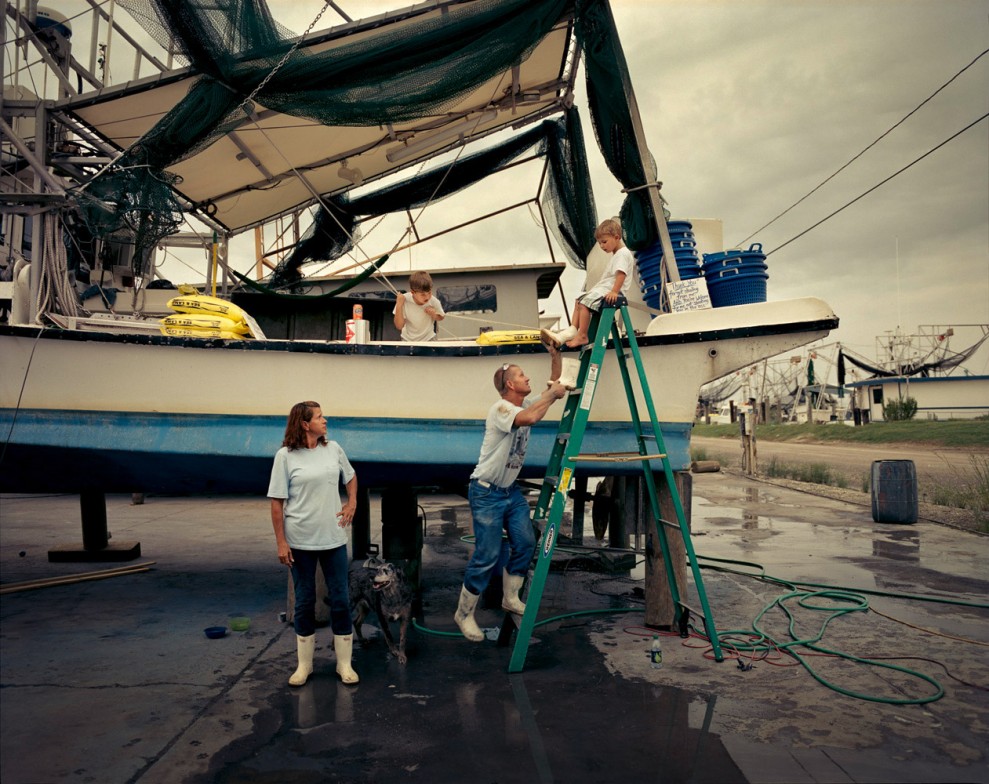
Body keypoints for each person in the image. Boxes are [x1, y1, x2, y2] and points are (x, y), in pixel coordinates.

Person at [454, 341, 567, 641]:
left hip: (509, 492)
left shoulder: (523, 405)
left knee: (526, 541)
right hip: (486, 492)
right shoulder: (502, 408)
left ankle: (510, 596)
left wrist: (555, 356)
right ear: (509, 384)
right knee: (487, 554)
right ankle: (464, 613)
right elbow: (530, 418)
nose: (528, 378)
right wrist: (552, 395)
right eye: (522, 375)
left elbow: (552, 389)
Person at [269, 401, 360, 686]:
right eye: (320, 417)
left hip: (332, 540)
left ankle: (344, 665)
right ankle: (304, 666)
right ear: (305, 424)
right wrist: (282, 542)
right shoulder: (285, 456)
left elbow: (352, 476)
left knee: (341, 601)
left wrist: (352, 503)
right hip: (300, 541)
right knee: (305, 602)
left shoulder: (333, 449)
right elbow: (276, 503)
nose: (325, 420)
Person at [565, 218, 634, 347]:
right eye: (599, 243)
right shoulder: (617, 254)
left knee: (584, 303)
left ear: (617, 237)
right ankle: (573, 330)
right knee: (579, 301)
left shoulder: (622, 254)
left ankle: (582, 335)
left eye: (604, 242)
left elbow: (621, 274)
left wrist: (614, 291)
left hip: (611, 291)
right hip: (605, 289)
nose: (602, 246)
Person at [393, 270, 445, 341]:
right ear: (412, 292)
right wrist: (399, 304)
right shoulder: (403, 300)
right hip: (407, 340)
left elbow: (441, 317)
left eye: (429, 293)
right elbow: (399, 326)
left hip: (429, 338)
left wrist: (434, 315)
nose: (427, 297)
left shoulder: (433, 301)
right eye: (423, 294)